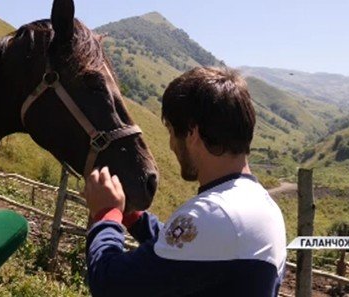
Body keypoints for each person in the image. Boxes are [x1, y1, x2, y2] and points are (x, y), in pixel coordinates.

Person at [84, 67, 287, 297]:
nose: (171, 145)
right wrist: (133, 216)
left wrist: (106, 214)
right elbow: (187, 251)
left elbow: (110, 284)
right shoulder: (262, 207)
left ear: (192, 133)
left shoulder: (214, 213)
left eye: (171, 131)